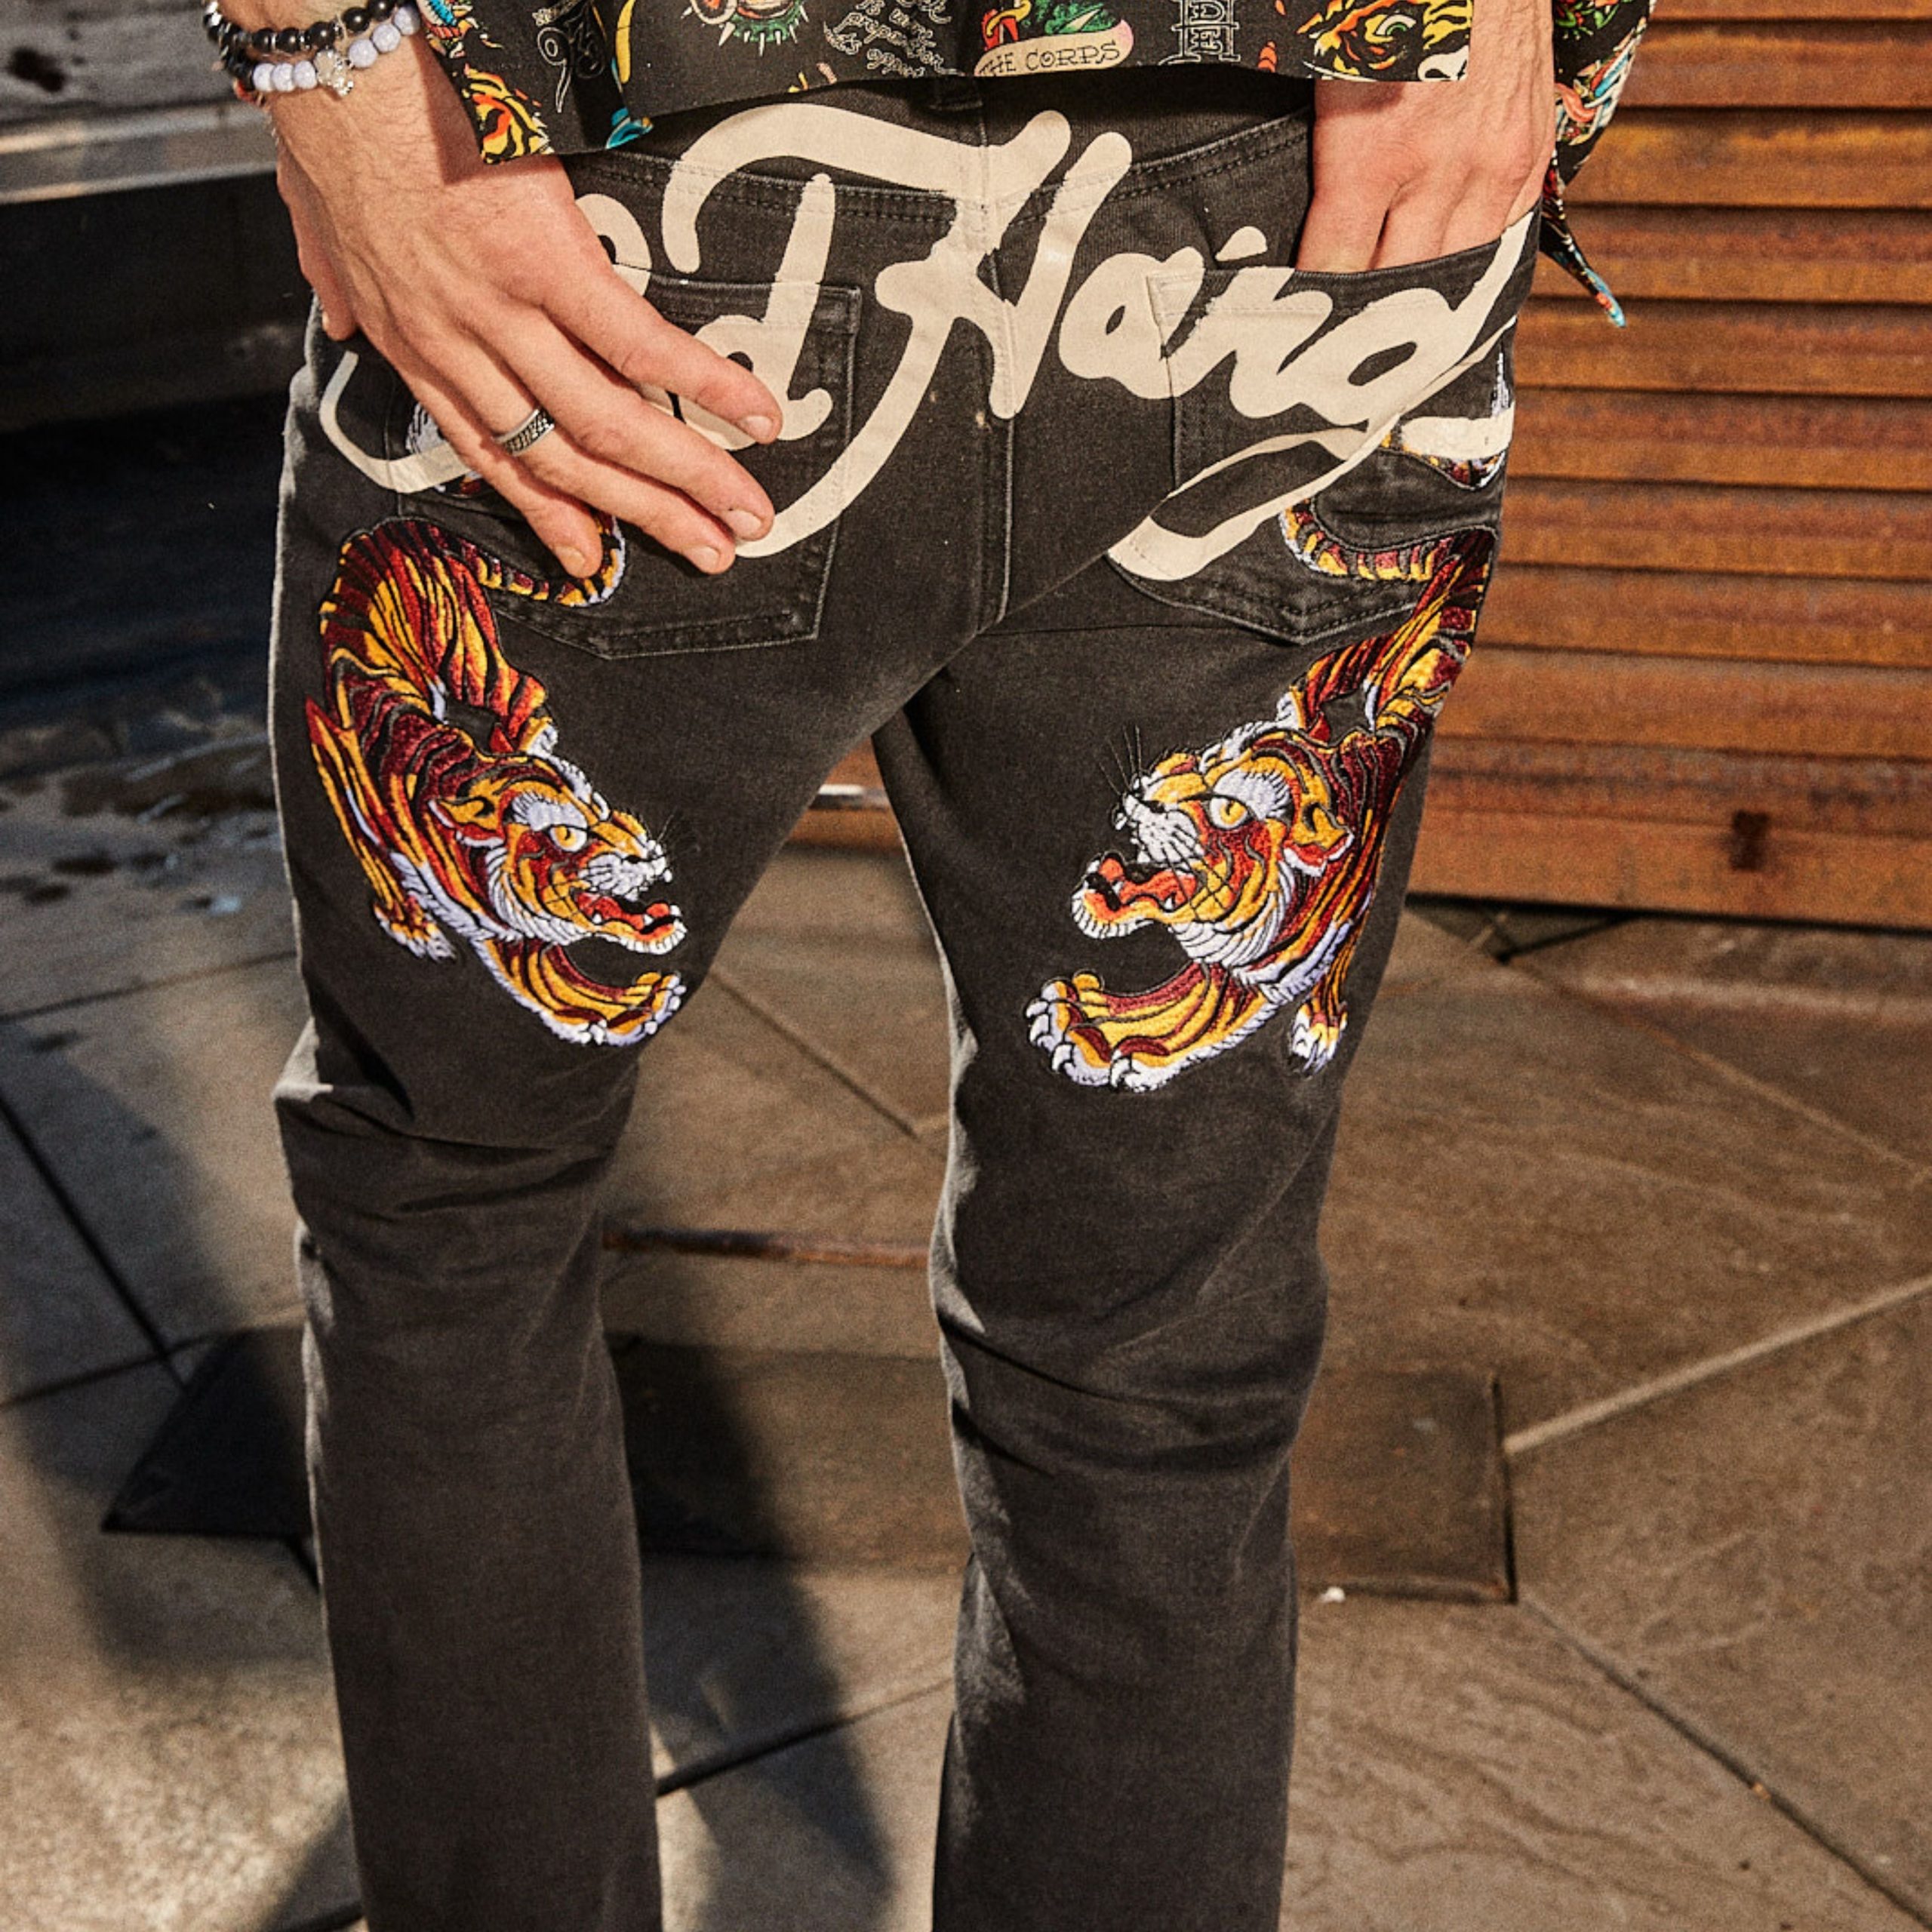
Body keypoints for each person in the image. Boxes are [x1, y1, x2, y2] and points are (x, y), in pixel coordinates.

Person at [234, 0, 1647, 1909]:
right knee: (1149, 1341)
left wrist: (318, 47)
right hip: (1269, 168)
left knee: (453, 1214)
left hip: (629, 158)